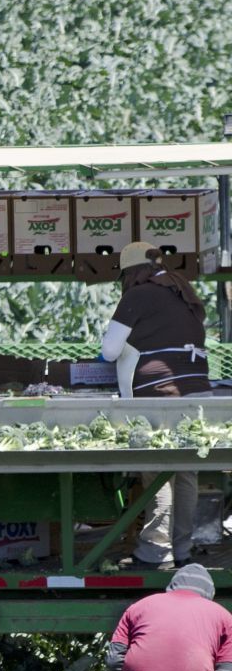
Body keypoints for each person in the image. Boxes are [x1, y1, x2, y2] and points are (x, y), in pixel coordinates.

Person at [102, 243, 210, 569]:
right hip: (197, 392)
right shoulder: (181, 290)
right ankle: (182, 550)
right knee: (187, 471)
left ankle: (154, 551)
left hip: (161, 395)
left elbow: (109, 351)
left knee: (159, 470)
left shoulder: (139, 295)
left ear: (133, 272)